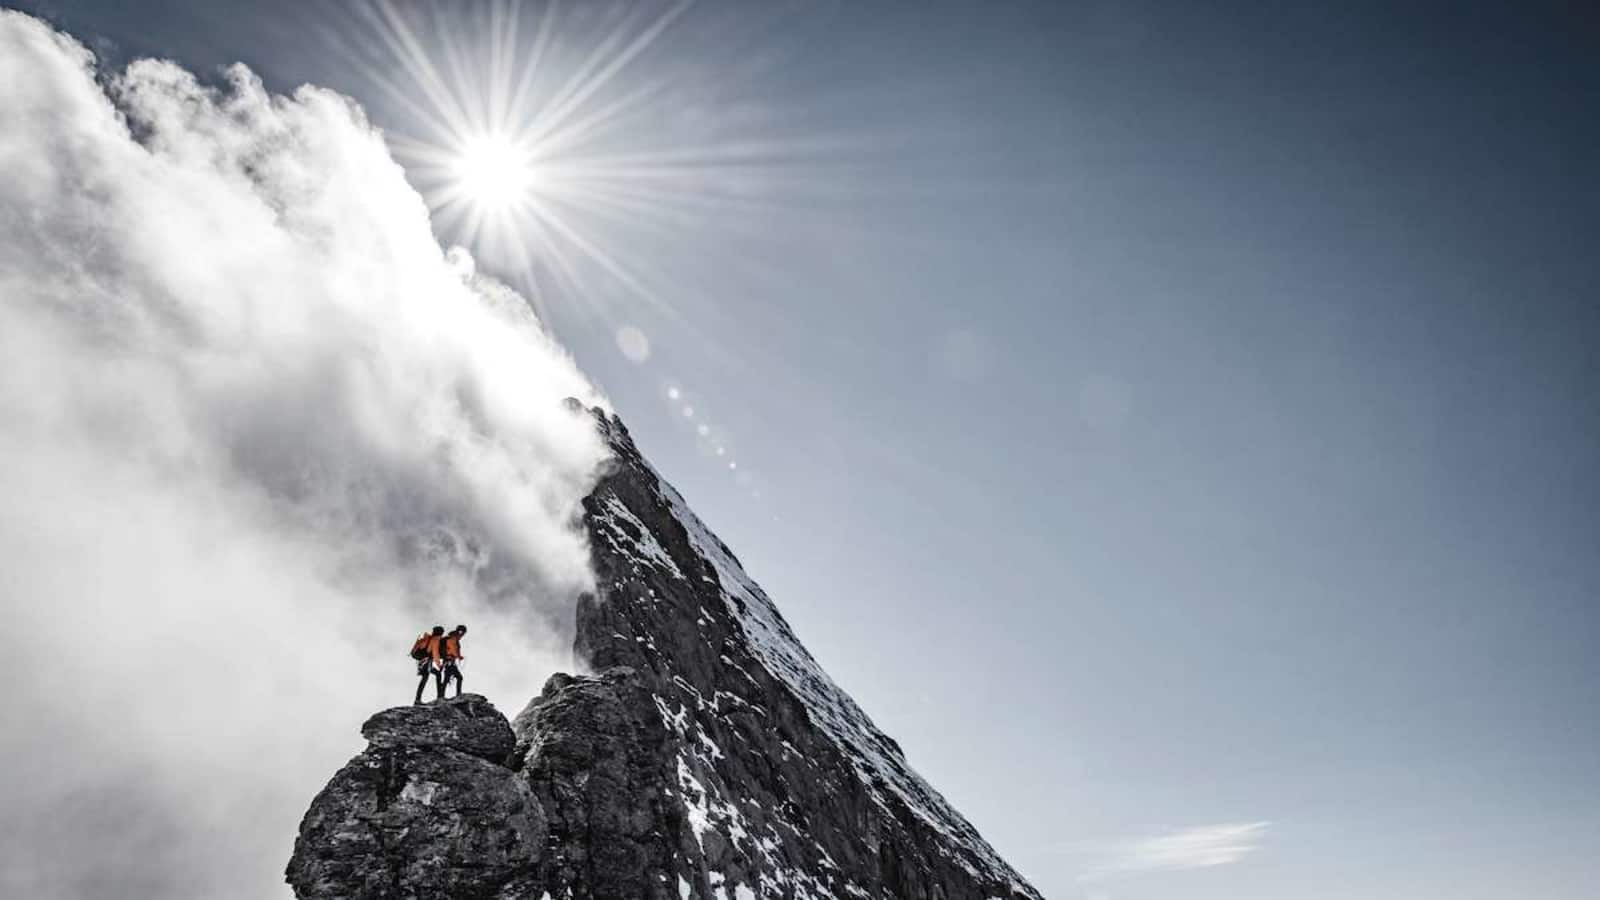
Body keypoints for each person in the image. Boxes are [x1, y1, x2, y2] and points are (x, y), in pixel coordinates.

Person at [412, 625, 445, 705]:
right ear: (440, 633)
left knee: (434, 675)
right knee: (425, 678)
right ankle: (418, 699)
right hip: (427, 662)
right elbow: (435, 653)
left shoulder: (427, 638)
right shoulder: (435, 640)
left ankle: (438, 696)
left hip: (422, 661)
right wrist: (439, 665)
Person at [440, 624, 467, 699]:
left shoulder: (452, 638)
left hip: (448, 661)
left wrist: (458, 656)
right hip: (450, 662)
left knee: (447, 678)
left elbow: (451, 650)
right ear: (461, 632)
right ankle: (458, 694)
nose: (463, 635)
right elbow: (452, 650)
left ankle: (441, 695)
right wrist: (457, 656)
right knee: (458, 677)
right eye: (463, 633)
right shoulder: (453, 639)